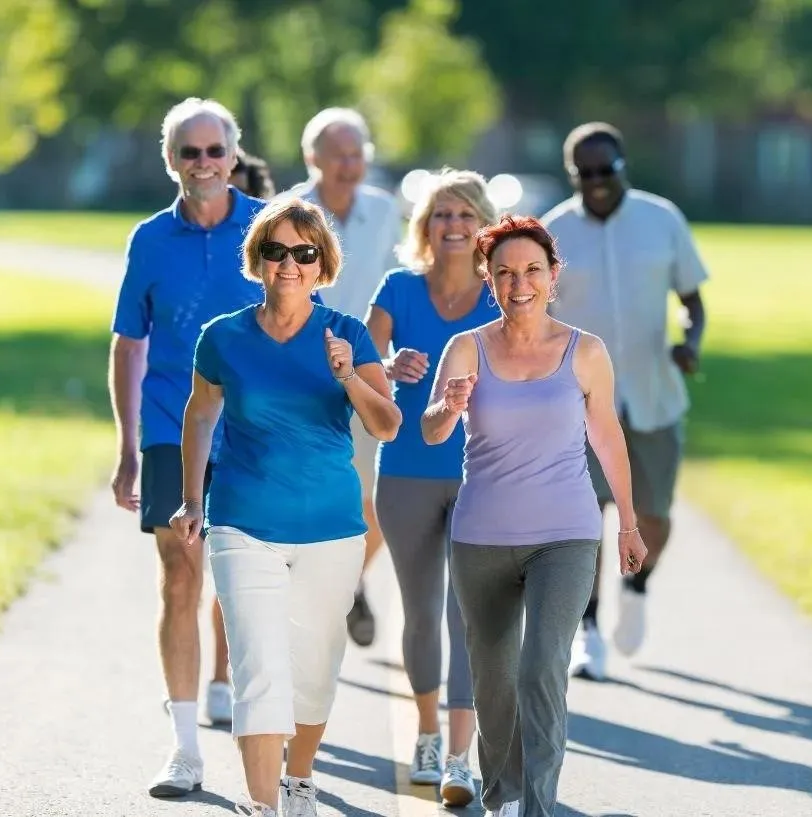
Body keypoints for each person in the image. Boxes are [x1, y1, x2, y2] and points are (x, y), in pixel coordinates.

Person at [170, 196, 401, 817]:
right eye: (277, 251)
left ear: (322, 264)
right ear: (259, 260)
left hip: (332, 529)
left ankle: (301, 780)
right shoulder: (222, 338)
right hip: (244, 521)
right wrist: (192, 499)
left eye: (305, 253)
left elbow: (387, 425)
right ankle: (264, 805)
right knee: (258, 666)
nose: (290, 264)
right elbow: (199, 414)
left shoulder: (347, 334)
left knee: (315, 668)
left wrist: (350, 376)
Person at [422, 215, 647, 817]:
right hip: (481, 538)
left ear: (553, 276)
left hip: (567, 536)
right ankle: (503, 794)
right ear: (488, 280)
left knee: (542, 668)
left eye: (531, 271)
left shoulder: (586, 351)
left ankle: (537, 807)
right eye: (504, 273)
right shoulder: (466, 348)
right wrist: (448, 405)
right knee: (494, 684)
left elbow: (608, 438)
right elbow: (431, 427)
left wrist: (626, 521)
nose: (518, 283)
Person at [109, 96, 266, 797]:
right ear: (170, 159)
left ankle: (237, 689)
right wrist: (128, 446)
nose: (202, 164)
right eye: (188, 151)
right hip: (173, 426)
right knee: (181, 573)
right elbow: (129, 340)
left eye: (214, 151)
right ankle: (183, 749)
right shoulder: (148, 239)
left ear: (234, 156)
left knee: (248, 577)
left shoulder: (270, 230)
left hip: (258, 429)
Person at [541, 121, 709, 682]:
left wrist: (690, 341)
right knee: (587, 519)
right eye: (583, 174)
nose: (595, 183)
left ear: (623, 165)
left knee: (655, 517)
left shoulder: (661, 219)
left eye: (604, 171)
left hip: (654, 395)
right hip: (581, 402)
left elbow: (692, 300)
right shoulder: (554, 232)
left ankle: (636, 584)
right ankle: (588, 630)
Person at [365, 168, 499, 805]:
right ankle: (424, 734)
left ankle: (459, 756)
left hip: (482, 475)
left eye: (466, 214)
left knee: (467, 614)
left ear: (485, 226)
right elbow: (356, 368)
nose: (454, 226)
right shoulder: (397, 289)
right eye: (442, 215)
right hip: (407, 474)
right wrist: (388, 367)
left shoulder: (503, 297)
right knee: (420, 610)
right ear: (424, 226)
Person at [286, 107, 405, 648]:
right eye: (338, 156)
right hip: (301, 383)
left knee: (376, 503)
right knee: (310, 496)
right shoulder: (288, 212)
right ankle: (312, 601)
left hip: (367, 377)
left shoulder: (383, 211)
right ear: (314, 159)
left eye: (357, 155)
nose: (349, 166)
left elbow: (399, 286)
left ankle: (349, 580)